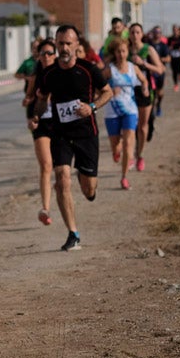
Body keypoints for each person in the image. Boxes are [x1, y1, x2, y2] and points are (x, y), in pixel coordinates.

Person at [33, 24, 112, 251]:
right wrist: (37, 113)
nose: (64, 48)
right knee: (62, 179)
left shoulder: (88, 70)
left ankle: (88, 185)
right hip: (61, 134)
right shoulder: (48, 74)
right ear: (56, 45)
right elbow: (42, 99)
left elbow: (108, 92)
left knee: (88, 190)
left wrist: (92, 107)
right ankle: (73, 233)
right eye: (60, 44)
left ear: (77, 45)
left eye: (69, 43)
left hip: (87, 134)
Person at [102, 37, 146, 190]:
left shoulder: (133, 68)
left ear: (127, 52)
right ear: (114, 53)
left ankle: (124, 177)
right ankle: (116, 151)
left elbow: (143, 80)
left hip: (130, 110)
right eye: (118, 51)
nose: (121, 54)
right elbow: (97, 86)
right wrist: (109, 91)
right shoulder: (110, 70)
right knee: (116, 146)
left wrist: (145, 88)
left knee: (128, 144)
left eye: (123, 51)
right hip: (112, 111)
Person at [23, 38, 58, 226]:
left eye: (49, 53)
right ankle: (45, 208)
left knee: (60, 168)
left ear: (55, 55)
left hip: (60, 124)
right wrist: (31, 117)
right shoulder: (36, 75)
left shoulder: (62, 73)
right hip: (41, 123)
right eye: (43, 53)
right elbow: (29, 98)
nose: (46, 56)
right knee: (46, 165)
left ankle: (59, 183)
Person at [127, 23, 165, 171]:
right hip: (127, 92)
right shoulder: (125, 51)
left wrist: (144, 64)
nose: (135, 35)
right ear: (129, 35)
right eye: (132, 32)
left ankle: (140, 155)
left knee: (142, 127)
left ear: (142, 34)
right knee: (129, 127)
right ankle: (129, 156)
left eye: (137, 32)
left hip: (144, 90)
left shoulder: (148, 49)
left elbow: (160, 69)